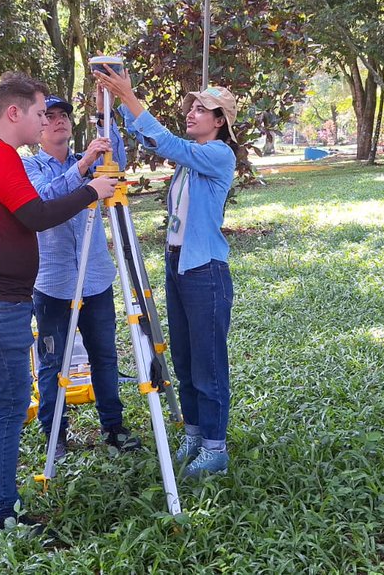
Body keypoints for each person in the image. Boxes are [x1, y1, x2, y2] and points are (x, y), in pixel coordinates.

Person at [0, 72, 119, 531]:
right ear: (15, 113)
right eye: (41, 113)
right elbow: (37, 215)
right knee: (7, 400)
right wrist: (90, 191)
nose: (46, 121)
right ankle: (0, 512)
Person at [94, 66, 237, 478]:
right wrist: (114, 107)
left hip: (206, 269)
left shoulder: (217, 154)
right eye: (191, 106)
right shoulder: (190, 162)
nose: (192, 112)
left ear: (220, 121)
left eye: (203, 109)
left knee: (208, 361)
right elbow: (152, 139)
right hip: (179, 266)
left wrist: (129, 95)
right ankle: (194, 432)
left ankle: (215, 447)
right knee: (185, 356)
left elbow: (169, 143)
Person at [22, 91, 142, 458]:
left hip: (95, 280)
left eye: (64, 116)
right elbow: (44, 199)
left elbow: (116, 163)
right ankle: (55, 432)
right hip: (52, 284)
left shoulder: (90, 162)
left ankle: (113, 427)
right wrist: (83, 166)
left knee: (104, 355)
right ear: (39, 126)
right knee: (52, 361)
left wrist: (106, 123)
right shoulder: (30, 167)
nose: (58, 120)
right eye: (51, 115)